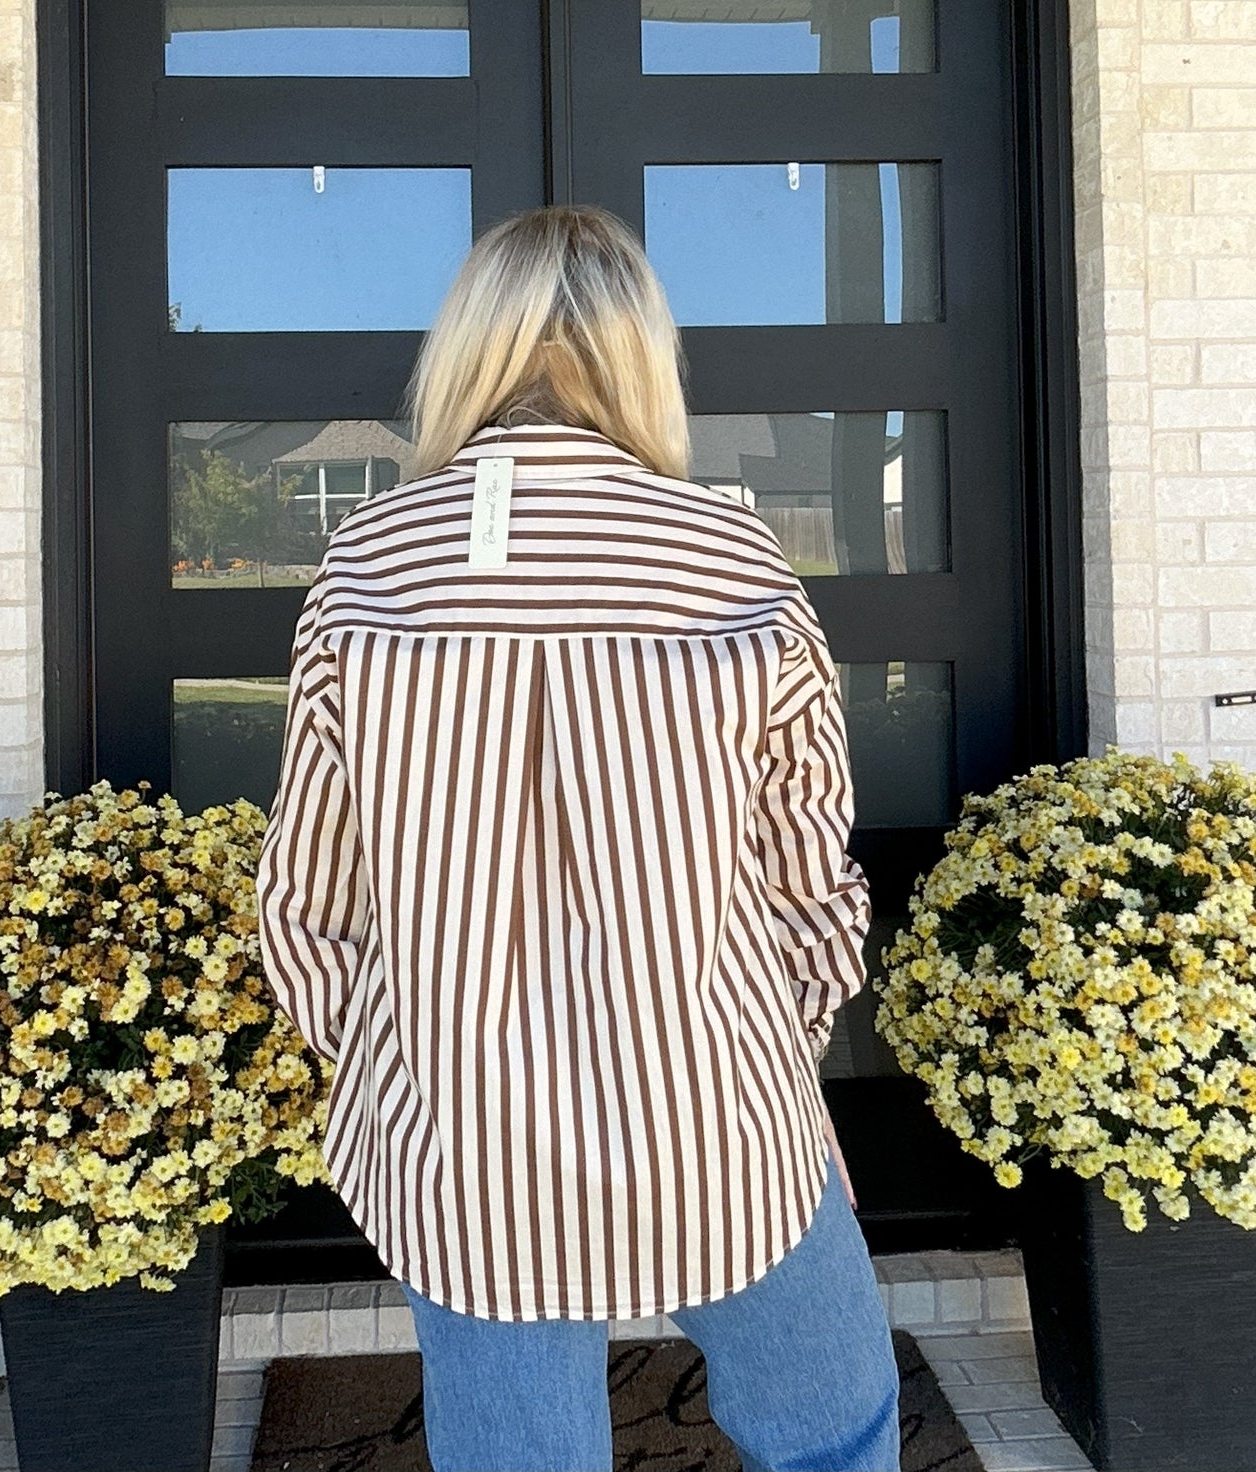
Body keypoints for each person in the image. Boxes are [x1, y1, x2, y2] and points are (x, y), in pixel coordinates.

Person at [255, 203, 902, 1472]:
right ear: (637, 355)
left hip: (462, 1124)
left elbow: (309, 898)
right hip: (715, 1102)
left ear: (467, 352)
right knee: (833, 1429)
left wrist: (402, 1056)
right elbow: (805, 874)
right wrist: (772, 1036)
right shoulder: (731, 554)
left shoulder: (368, 561)